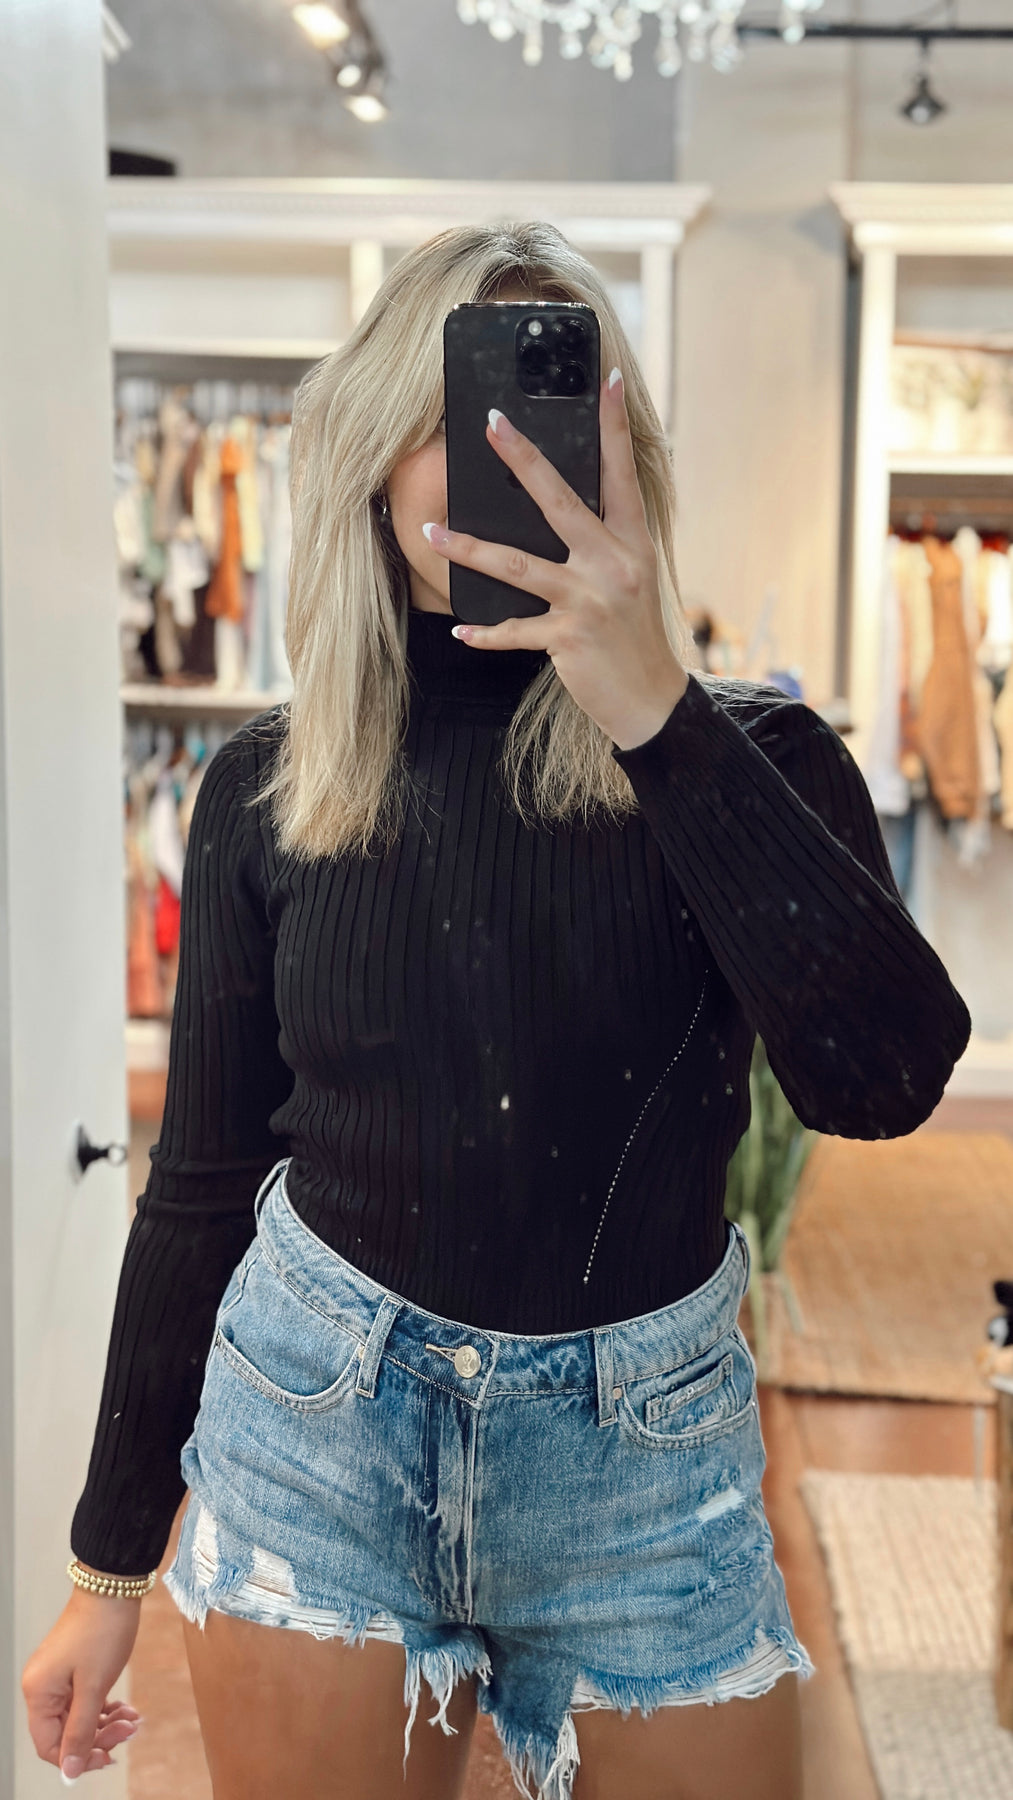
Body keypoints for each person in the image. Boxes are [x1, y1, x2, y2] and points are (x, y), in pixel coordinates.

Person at [22, 222, 970, 1800]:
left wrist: (653, 712)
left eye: (551, 419)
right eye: (456, 417)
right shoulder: (269, 786)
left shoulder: (758, 761)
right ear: (373, 459)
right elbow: (199, 1183)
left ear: (622, 463)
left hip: (645, 1470)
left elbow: (884, 1081)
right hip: (318, 1433)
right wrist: (104, 1567)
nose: (503, 462)